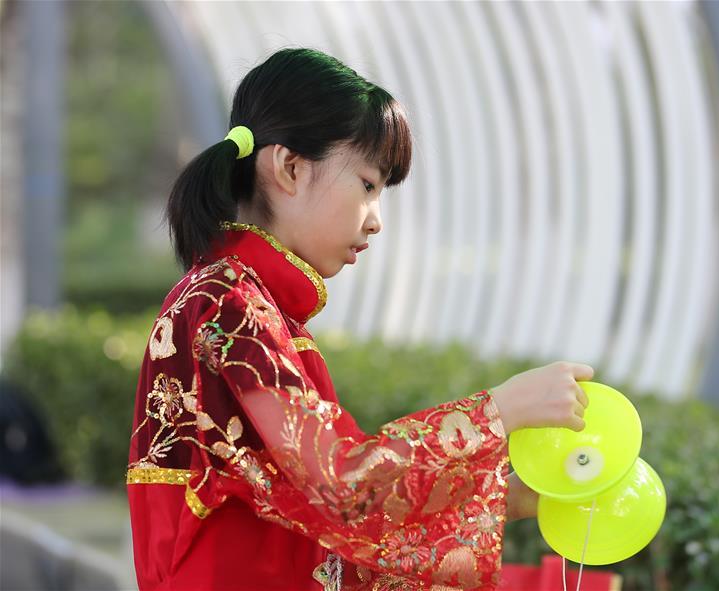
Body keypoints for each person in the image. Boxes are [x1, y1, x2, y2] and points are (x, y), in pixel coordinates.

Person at [127, 47, 593, 591]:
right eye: (368, 186)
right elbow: (342, 485)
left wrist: (510, 495)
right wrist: (499, 411)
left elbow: (331, 517)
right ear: (290, 167)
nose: (375, 221)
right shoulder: (227, 306)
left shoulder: (247, 305)